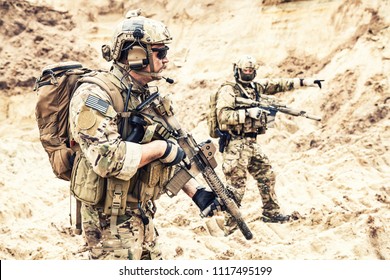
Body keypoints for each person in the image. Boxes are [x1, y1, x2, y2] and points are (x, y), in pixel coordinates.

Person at [69, 9, 221, 260]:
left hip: (141, 213)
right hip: (110, 222)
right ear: (135, 55)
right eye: (160, 52)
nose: (166, 60)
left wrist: (197, 192)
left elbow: (160, 156)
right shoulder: (94, 95)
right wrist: (163, 148)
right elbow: (107, 159)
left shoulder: (145, 95)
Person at [215, 54, 323, 235]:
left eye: (251, 70)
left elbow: (280, 84)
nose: (247, 73)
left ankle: (271, 213)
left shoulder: (255, 88)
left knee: (267, 174)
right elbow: (223, 116)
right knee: (236, 187)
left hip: (251, 142)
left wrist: (307, 82)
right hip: (235, 144)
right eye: (245, 70)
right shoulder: (229, 90)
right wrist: (249, 113)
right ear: (237, 70)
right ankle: (230, 228)